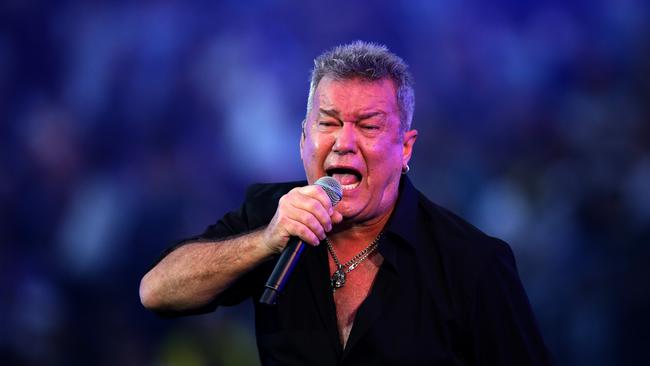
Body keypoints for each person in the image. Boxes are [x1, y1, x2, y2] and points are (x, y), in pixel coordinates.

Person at [140, 41, 552, 365]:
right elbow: (156, 291)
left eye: (369, 126)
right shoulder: (272, 213)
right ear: (304, 137)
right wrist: (265, 241)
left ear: (405, 148)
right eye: (329, 123)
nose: (344, 142)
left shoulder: (471, 262)